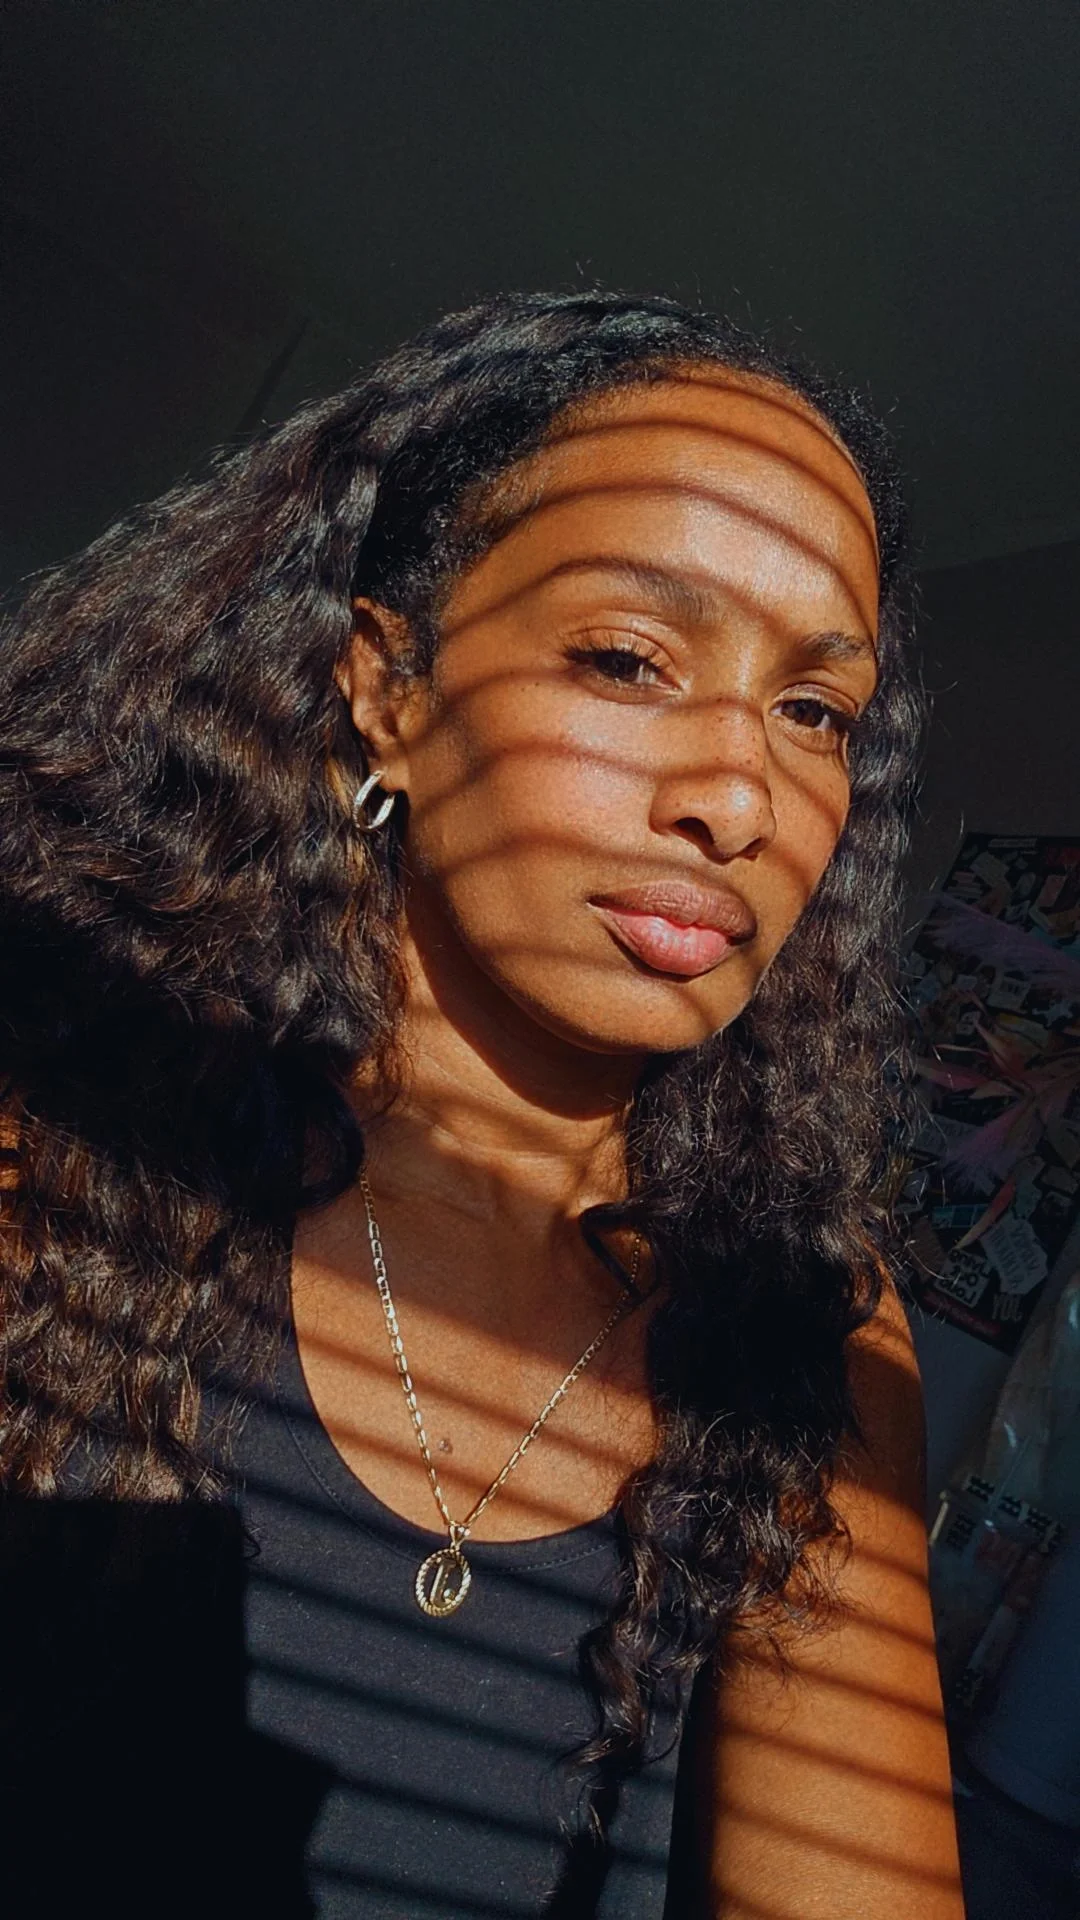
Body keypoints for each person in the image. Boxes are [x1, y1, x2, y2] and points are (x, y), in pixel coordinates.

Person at [0, 292, 964, 1919]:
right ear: (389, 689)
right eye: (629, 658)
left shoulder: (804, 1321)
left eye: (815, 712)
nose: (742, 797)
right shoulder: (70, 1158)